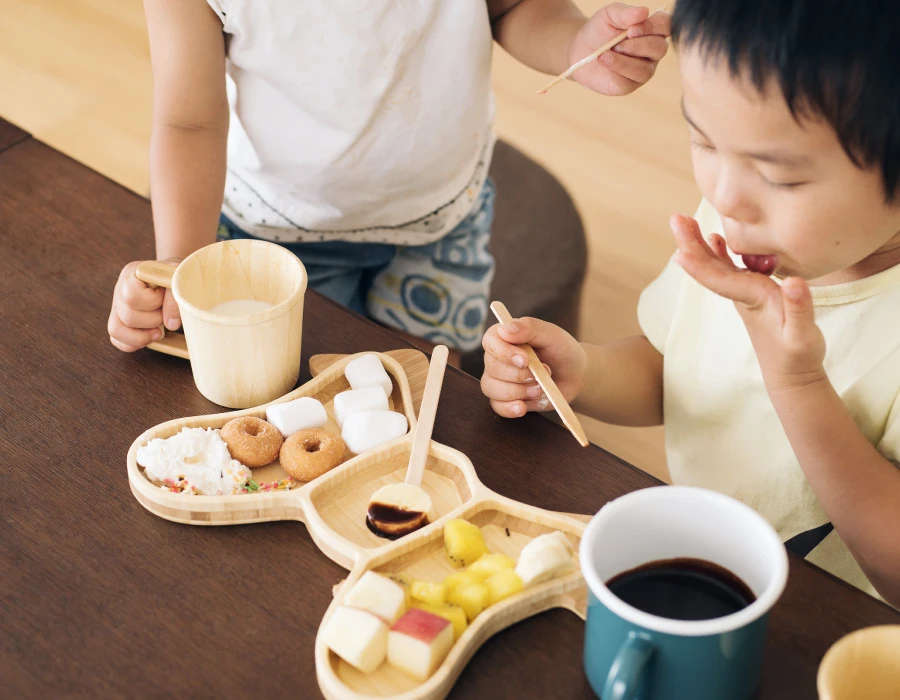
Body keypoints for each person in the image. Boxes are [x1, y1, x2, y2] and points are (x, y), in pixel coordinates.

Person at [481, 0, 900, 606]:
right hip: (706, 565)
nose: (726, 197)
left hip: (829, 622)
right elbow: (674, 368)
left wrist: (798, 382)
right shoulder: (747, 231)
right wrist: (584, 370)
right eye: (702, 140)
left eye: (780, 177)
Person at [108, 0, 671, 363]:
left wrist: (577, 44)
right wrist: (180, 265)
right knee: (298, 399)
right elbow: (189, 121)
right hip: (274, 231)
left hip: (440, 225)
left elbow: (513, 8)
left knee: (424, 393)